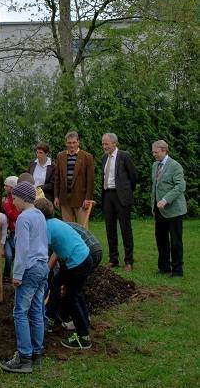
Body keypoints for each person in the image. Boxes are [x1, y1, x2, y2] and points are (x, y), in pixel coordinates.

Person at [0, 182, 48, 374]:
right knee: (36, 310)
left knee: (20, 312)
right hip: (42, 267)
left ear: (21, 198)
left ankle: (24, 357)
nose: (13, 201)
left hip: (29, 268)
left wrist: (17, 274)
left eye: (14, 197)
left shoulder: (23, 218)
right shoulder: (40, 215)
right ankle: (37, 352)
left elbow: (23, 249)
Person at [35, 198, 93, 350]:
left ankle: (83, 337)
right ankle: (54, 317)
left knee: (72, 297)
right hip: (82, 258)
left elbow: (41, 251)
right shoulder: (55, 222)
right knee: (56, 283)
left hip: (77, 263)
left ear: (39, 216)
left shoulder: (46, 227)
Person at [101, 133, 137, 271]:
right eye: (103, 144)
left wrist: (126, 191)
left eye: (107, 144)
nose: (104, 146)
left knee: (125, 229)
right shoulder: (104, 158)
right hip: (108, 195)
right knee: (110, 229)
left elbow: (133, 176)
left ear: (114, 143)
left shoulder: (124, 156)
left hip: (121, 196)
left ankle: (129, 261)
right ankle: (113, 259)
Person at [151, 140, 187, 277]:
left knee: (176, 241)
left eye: (156, 152)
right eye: (153, 152)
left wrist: (165, 200)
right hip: (159, 210)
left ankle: (177, 270)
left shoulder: (175, 166)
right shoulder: (155, 165)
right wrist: (153, 205)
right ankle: (164, 267)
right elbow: (154, 187)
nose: (154, 154)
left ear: (164, 150)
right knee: (161, 238)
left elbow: (180, 186)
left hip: (174, 210)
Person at [54, 131, 94, 227]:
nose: (71, 145)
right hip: (64, 199)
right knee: (67, 229)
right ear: (66, 143)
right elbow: (57, 178)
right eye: (69, 143)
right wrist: (56, 196)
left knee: (83, 229)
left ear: (78, 142)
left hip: (81, 199)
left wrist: (88, 199)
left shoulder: (87, 157)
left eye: (74, 142)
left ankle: (83, 243)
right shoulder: (60, 156)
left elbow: (90, 180)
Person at [2, 176, 20, 281]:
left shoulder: (15, 200)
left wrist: (6, 205)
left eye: (6, 185)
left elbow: (14, 216)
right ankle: (6, 276)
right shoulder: (8, 198)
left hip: (16, 232)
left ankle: (16, 275)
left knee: (17, 256)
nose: (4, 187)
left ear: (12, 187)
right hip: (8, 232)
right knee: (8, 256)